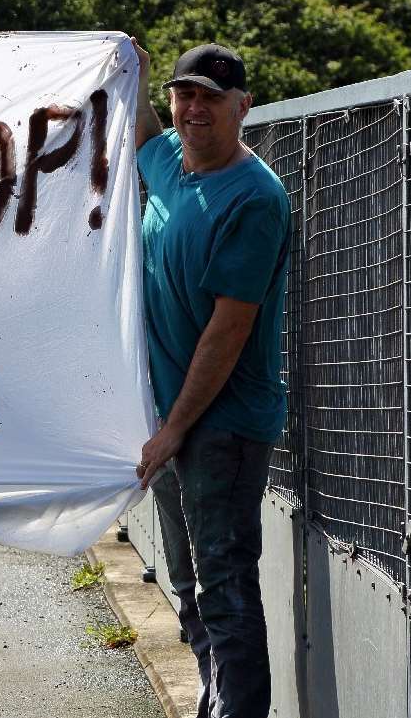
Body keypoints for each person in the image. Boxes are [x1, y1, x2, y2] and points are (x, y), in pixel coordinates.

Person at [131, 39, 291, 718]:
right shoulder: (170, 160)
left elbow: (228, 330)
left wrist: (174, 428)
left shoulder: (255, 198)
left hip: (219, 421)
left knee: (224, 586)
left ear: (243, 106)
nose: (195, 108)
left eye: (211, 97)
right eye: (184, 93)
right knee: (188, 579)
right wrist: (129, 71)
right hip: (172, 416)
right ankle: (213, 697)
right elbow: (141, 136)